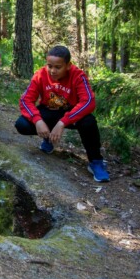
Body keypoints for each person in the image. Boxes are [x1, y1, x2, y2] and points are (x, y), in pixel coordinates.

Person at [14, 45, 110, 182]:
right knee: (22, 124)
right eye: (49, 66)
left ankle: (96, 161)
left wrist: (63, 122)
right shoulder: (40, 74)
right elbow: (25, 100)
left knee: (88, 122)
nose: (52, 71)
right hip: (49, 111)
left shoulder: (78, 75)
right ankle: (48, 138)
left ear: (68, 65)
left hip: (71, 114)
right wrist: (38, 120)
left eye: (58, 67)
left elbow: (88, 102)